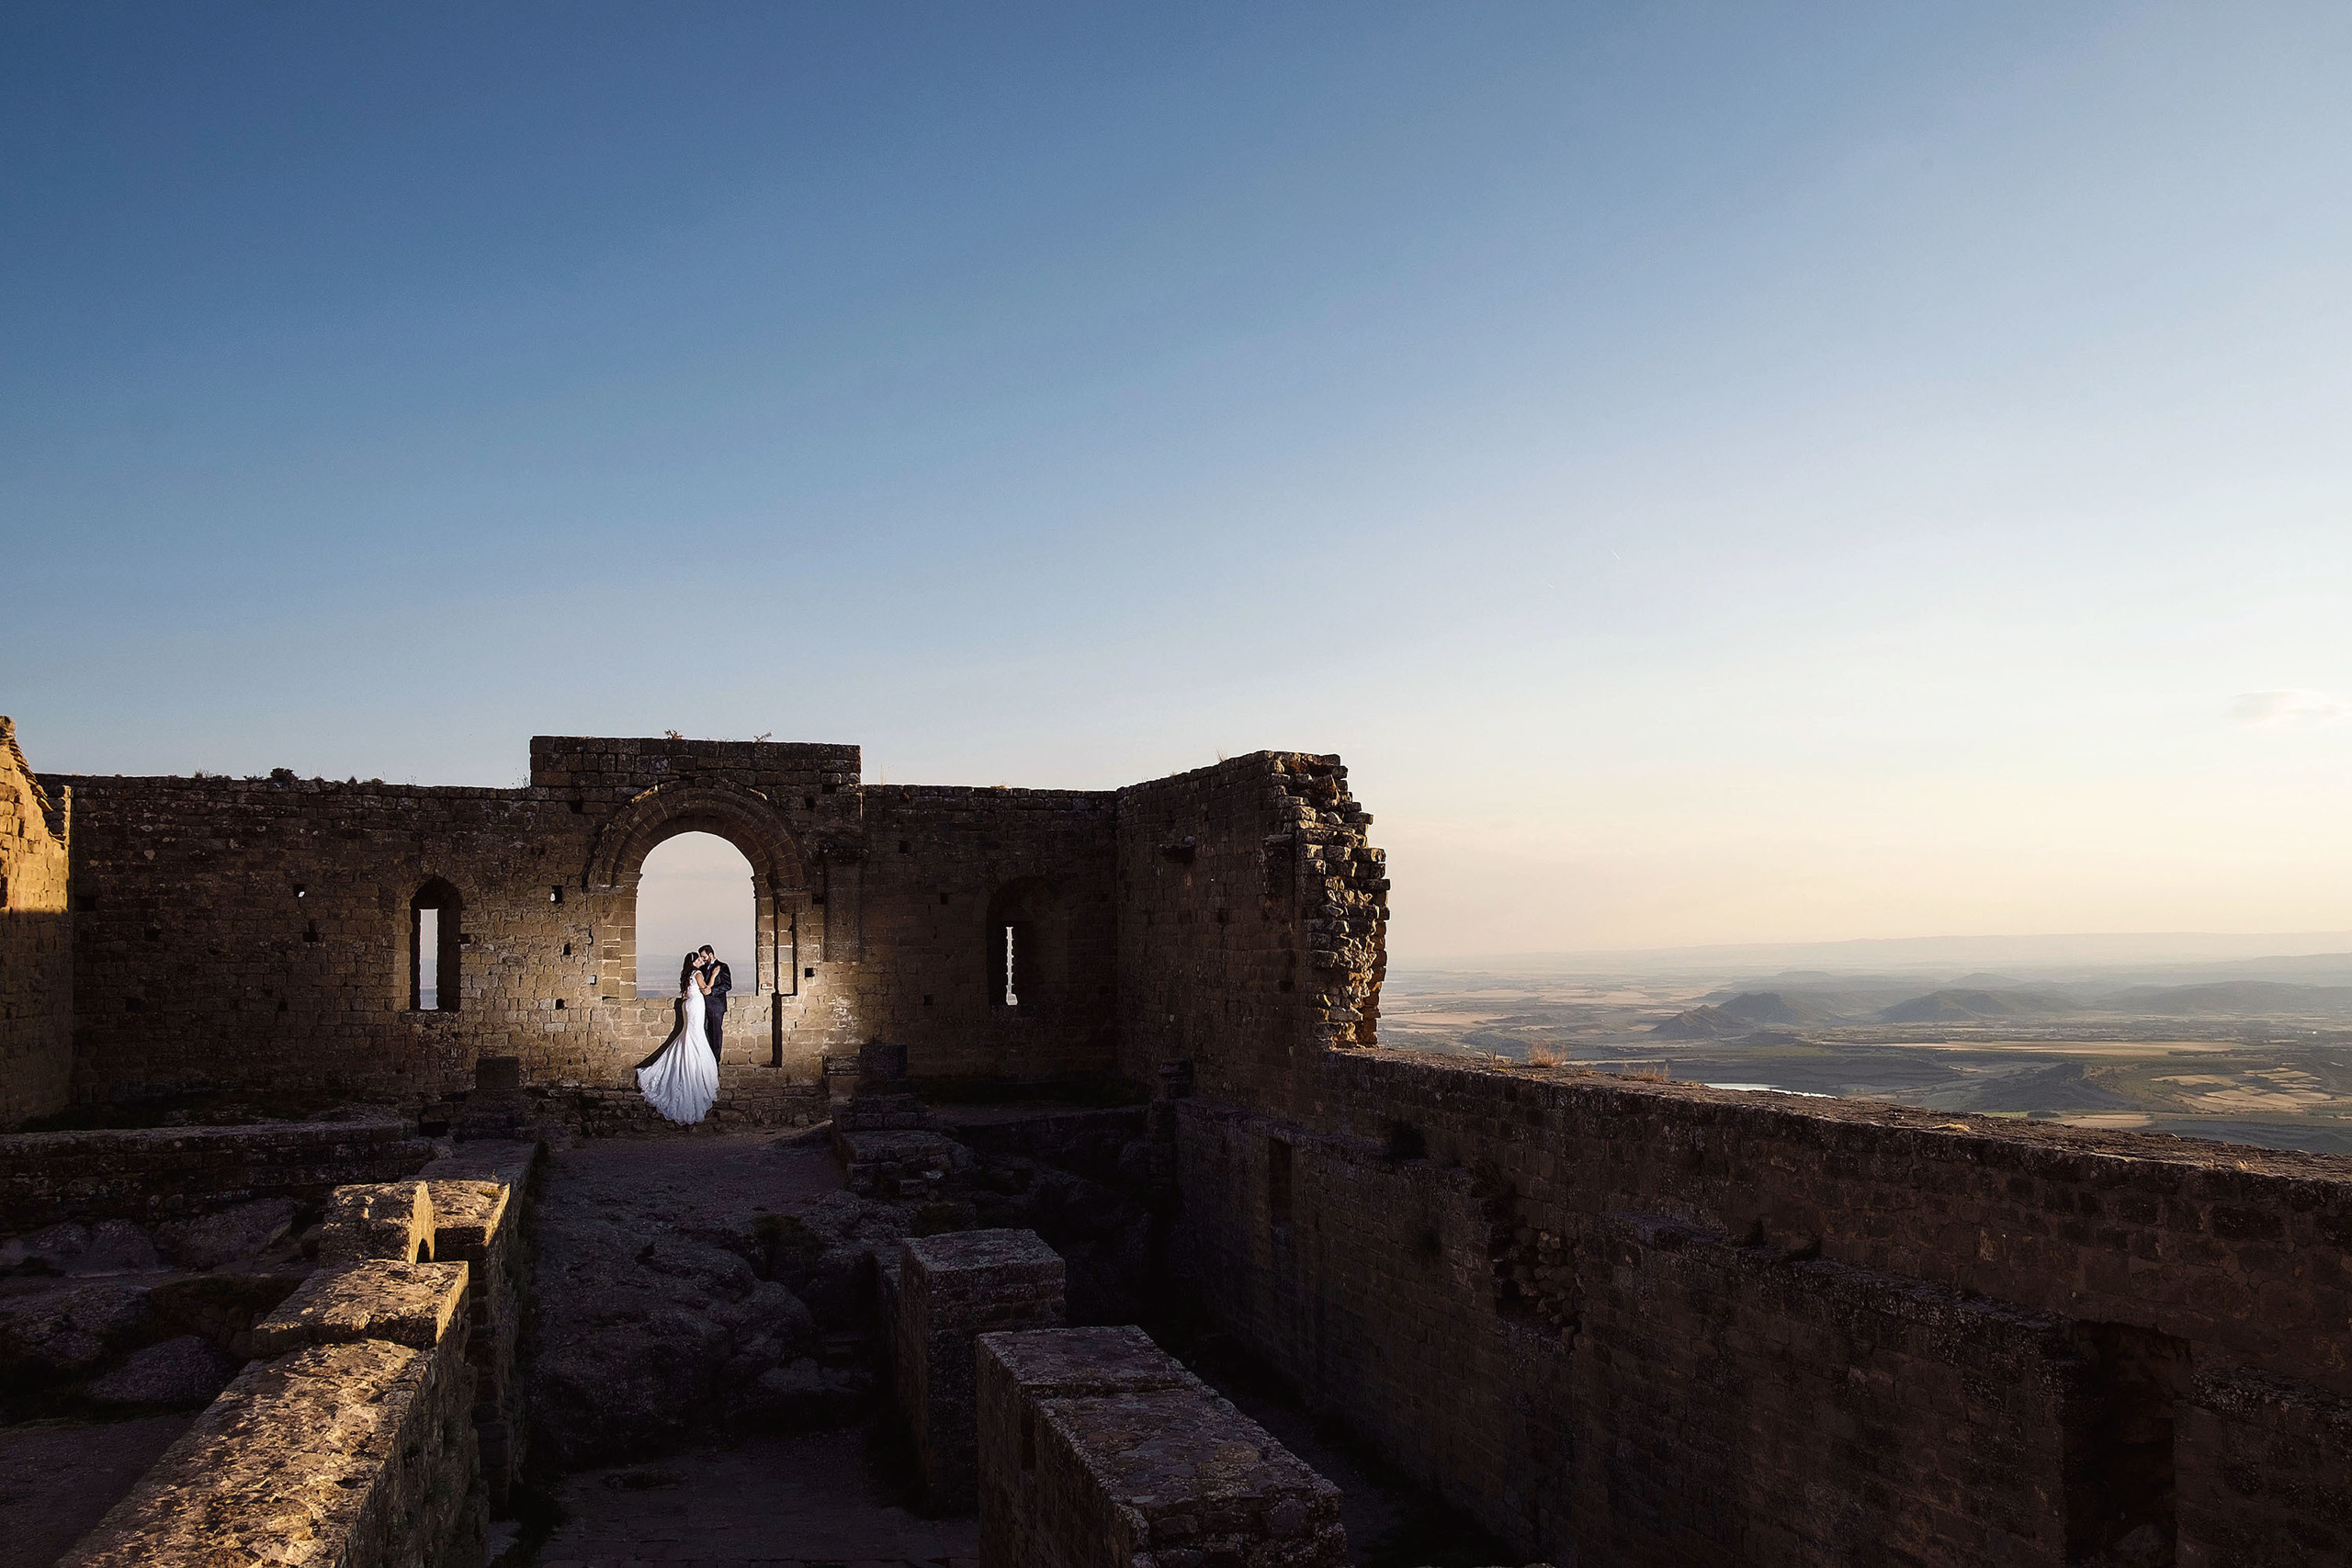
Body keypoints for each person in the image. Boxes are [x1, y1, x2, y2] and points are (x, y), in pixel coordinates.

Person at [636, 953, 718, 1124]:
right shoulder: (698, 973)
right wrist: (714, 976)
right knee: (695, 1035)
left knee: (688, 1034)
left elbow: (686, 993)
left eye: (701, 959)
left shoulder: (687, 974)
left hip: (687, 1005)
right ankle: (692, 1067)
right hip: (695, 1005)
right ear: (693, 962)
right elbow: (706, 990)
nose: (701, 961)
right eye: (699, 959)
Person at [697, 943, 731, 1063]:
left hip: (716, 1007)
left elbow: (727, 985)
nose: (703, 960)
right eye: (701, 957)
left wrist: (712, 990)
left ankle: (715, 1062)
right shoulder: (701, 968)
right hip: (703, 1006)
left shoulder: (722, 967)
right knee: (705, 1033)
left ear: (711, 955)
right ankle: (706, 1061)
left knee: (716, 1034)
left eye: (704, 957)